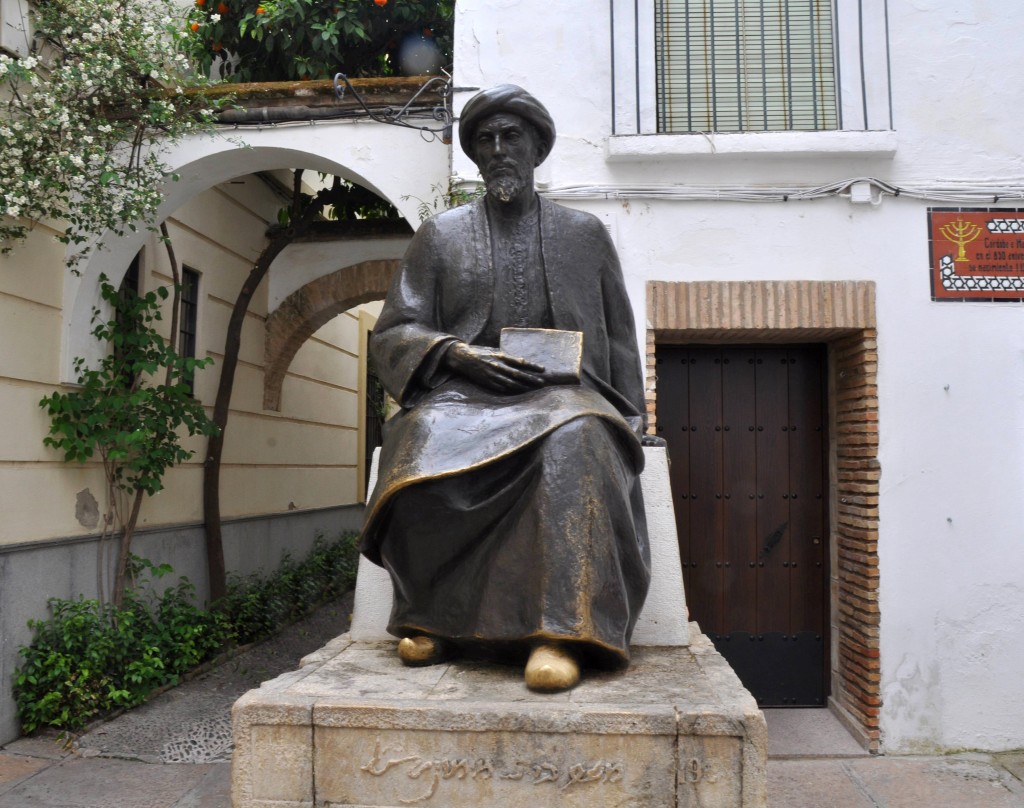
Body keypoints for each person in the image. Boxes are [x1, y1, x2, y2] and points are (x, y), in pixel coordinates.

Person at [360, 85, 651, 692]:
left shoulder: (585, 234)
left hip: (564, 391)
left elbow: (619, 333)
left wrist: (633, 412)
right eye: (484, 139)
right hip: (464, 392)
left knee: (579, 439)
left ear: (537, 148)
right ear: (473, 155)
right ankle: (432, 616)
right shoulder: (440, 235)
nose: (497, 150)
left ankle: (560, 632)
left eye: (510, 137)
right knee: (418, 440)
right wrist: (458, 355)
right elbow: (395, 331)